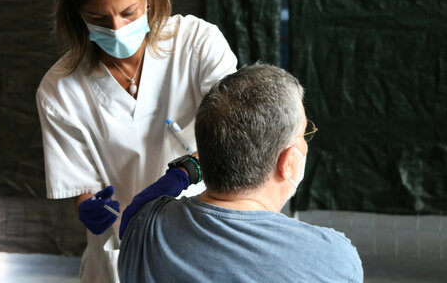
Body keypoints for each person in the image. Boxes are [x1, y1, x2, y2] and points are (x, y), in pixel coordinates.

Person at [35, 0, 237, 283]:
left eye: (128, 12)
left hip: (204, 241)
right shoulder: (60, 90)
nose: (115, 28)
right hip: (122, 254)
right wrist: (90, 208)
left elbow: (237, 131)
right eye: (99, 19)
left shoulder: (198, 44)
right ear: (77, 14)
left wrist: (185, 172)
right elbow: (83, 186)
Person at [118, 63, 364, 283]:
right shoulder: (334, 259)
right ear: (287, 162)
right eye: (304, 134)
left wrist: (185, 171)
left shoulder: (144, 228)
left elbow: (140, 207)